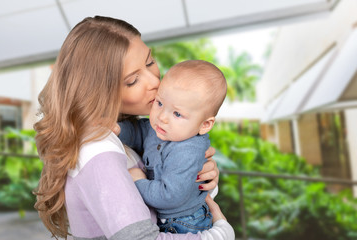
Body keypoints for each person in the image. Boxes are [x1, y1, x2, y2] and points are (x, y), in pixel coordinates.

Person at [34, 16, 235, 240]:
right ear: (98, 91)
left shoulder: (128, 133)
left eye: (150, 62)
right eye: (132, 81)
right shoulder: (97, 150)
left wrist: (196, 176)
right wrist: (220, 235)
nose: (155, 82)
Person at [116, 60, 227, 234]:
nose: (162, 117)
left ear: (204, 125)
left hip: (184, 223)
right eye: (159, 103)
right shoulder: (162, 129)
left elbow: (169, 196)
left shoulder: (187, 150)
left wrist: (139, 182)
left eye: (177, 113)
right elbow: (138, 132)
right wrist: (112, 129)